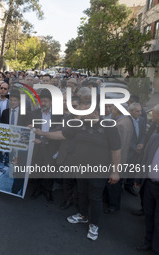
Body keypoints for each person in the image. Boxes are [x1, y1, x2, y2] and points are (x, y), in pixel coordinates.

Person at [64, 104, 121, 241]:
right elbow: (66, 133)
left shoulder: (109, 126)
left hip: (98, 171)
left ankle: (94, 224)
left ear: (95, 112)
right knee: (81, 193)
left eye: (84, 111)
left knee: (95, 197)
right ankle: (83, 215)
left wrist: (115, 172)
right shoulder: (80, 123)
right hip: (81, 168)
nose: (81, 113)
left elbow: (116, 150)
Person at [135, 104, 159, 254]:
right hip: (150, 184)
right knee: (149, 215)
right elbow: (145, 160)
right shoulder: (155, 137)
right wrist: (138, 177)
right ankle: (148, 243)